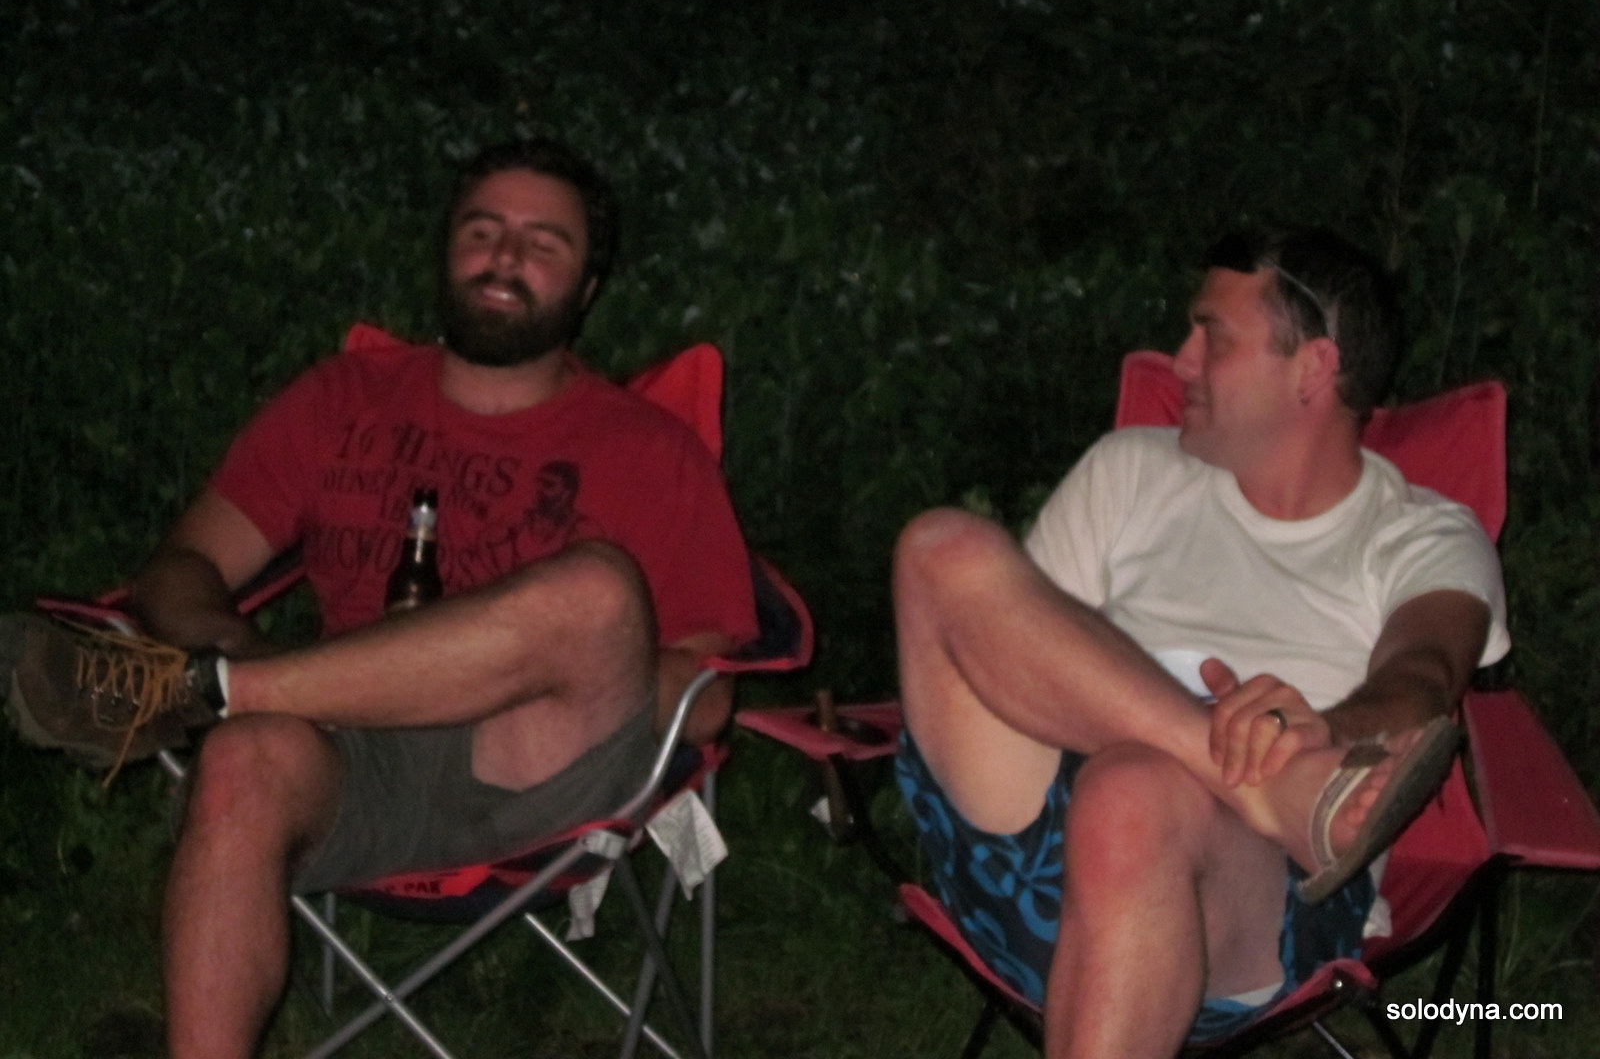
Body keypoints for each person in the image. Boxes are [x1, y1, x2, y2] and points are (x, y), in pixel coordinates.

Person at [4, 137, 758, 1059]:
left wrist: (530, 664)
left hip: (537, 768)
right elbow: (180, 568)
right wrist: (245, 651)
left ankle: (200, 692)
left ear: (588, 286)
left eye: (543, 242)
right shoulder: (343, 400)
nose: (505, 256)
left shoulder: (648, 449)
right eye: (482, 230)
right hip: (351, 752)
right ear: (446, 249)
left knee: (596, 592)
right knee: (242, 761)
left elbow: (709, 693)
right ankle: (227, 696)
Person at [892, 227, 1508, 1057]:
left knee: (1132, 792)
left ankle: (1255, 786)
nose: (1179, 362)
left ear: (1313, 369)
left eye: (1211, 337)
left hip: (1253, 896)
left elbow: (1424, 675)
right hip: (1028, 854)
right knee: (939, 548)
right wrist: (1263, 761)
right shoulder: (1127, 471)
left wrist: (1325, 730)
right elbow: (1013, 652)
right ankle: (1274, 785)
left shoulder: (1421, 535)